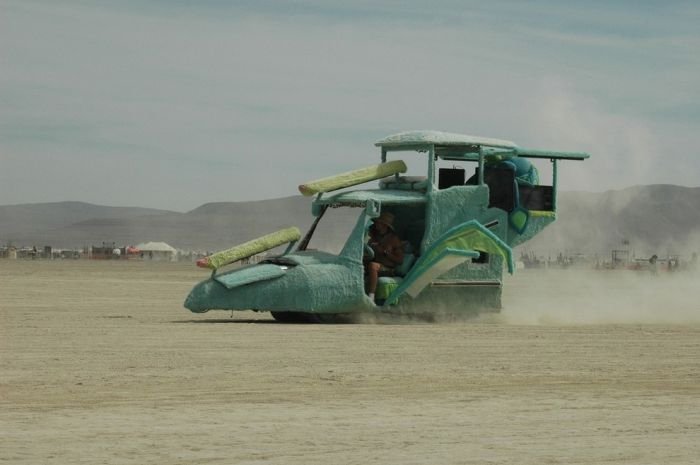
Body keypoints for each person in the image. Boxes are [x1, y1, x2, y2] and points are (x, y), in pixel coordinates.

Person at [364, 211, 404, 301]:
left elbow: (400, 260)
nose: (376, 224)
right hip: (376, 263)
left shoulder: (394, 239)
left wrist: (384, 252)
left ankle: (371, 296)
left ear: (384, 225)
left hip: (388, 269)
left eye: (378, 222)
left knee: (373, 266)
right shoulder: (375, 236)